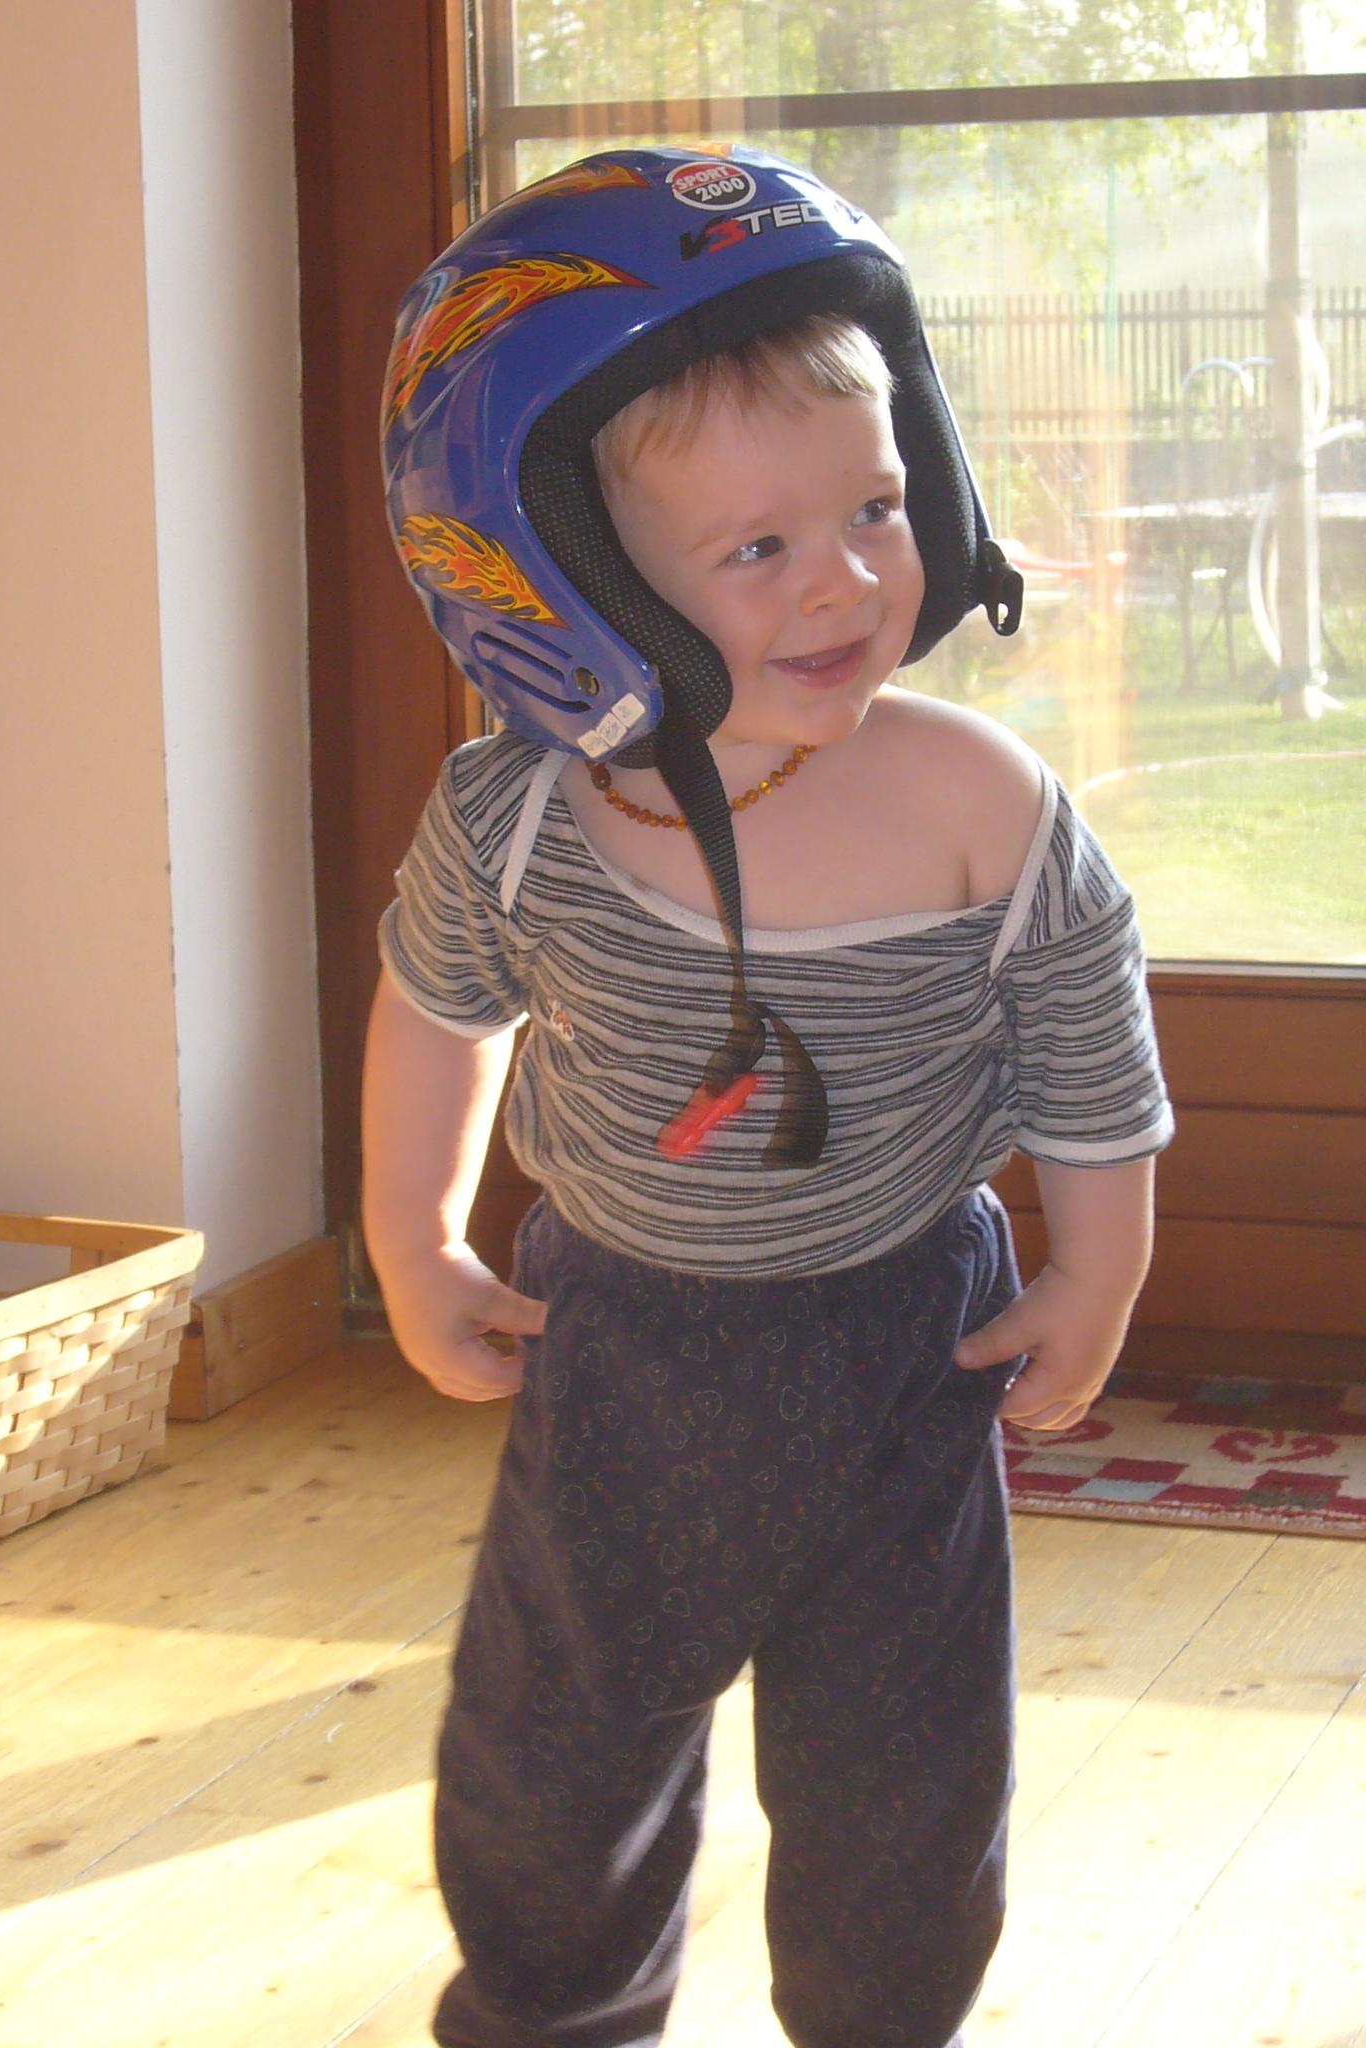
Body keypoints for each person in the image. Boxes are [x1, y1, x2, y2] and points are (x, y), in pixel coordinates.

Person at [366, 144, 1173, 2048]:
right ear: (565, 576)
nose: (851, 579)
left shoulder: (978, 803)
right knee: (553, 1758)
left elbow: (1089, 1051)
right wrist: (413, 1239)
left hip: (909, 1344)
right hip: (624, 1346)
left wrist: (1099, 1274)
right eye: (758, 550)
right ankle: (553, 2014)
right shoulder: (519, 817)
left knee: (907, 1780)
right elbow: (437, 1015)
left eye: (880, 507)